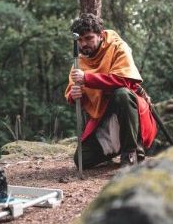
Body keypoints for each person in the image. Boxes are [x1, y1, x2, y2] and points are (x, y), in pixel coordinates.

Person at [64, 13, 157, 169]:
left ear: (100, 35)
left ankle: (130, 152)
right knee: (82, 160)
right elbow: (71, 93)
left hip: (129, 110)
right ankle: (117, 147)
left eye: (88, 38)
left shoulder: (118, 47)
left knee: (121, 93)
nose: (83, 44)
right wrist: (74, 95)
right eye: (79, 40)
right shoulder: (79, 62)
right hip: (103, 117)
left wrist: (87, 79)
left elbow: (124, 80)